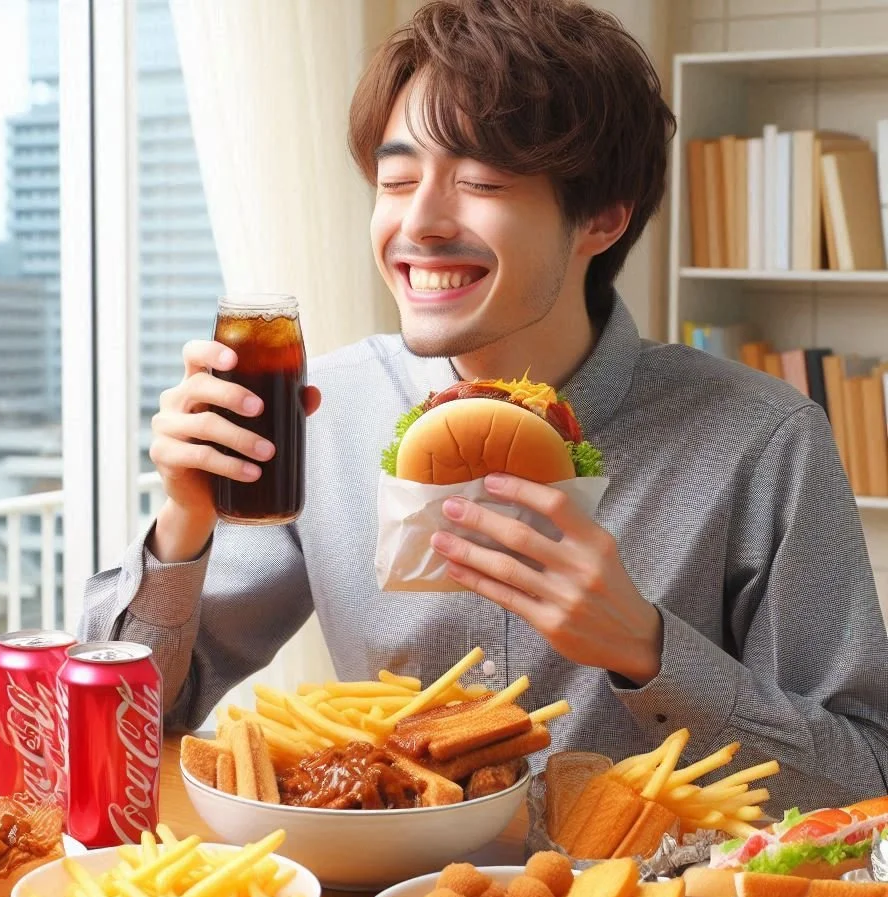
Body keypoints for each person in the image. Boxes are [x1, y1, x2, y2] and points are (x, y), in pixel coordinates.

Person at [80, 0, 888, 812]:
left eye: (481, 182)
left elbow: (866, 779)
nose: (419, 223)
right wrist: (181, 528)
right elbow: (121, 725)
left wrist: (648, 650)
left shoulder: (764, 440)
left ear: (601, 218)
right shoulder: (323, 413)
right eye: (395, 180)